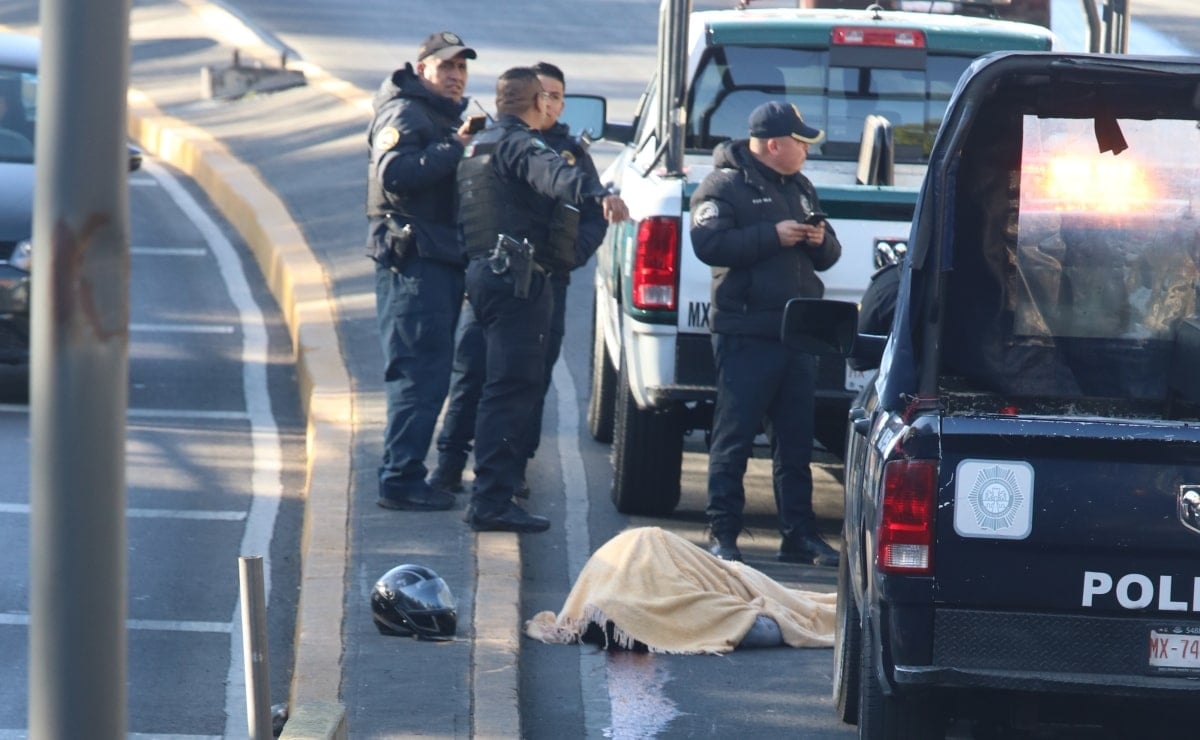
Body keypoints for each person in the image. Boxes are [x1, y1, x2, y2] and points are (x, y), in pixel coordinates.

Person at [456, 67, 628, 533]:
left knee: (497, 386)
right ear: (536, 103)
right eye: (546, 99)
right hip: (517, 281)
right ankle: (492, 499)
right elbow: (553, 173)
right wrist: (598, 193)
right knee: (511, 390)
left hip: (484, 274)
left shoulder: (480, 142)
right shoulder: (520, 143)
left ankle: (491, 492)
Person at [690, 101, 842, 565]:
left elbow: (830, 252)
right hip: (747, 332)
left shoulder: (800, 186)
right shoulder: (723, 186)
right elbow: (708, 243)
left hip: (797, 333)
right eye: (801, 143)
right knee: (733, 438)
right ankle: (723, 535)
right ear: (773, 145)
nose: (806, 152)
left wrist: (820, 242)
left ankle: (799, 534)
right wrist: (771, 236)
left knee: (796, 442)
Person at [366, 31, 478, 511]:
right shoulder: (405, 113)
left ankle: (405, 471)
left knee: (428, 373)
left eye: (461, 68)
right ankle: (400, 479)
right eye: (446, 67)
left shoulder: (436, 114)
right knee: (418, 373)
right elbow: (393, 175)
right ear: (422, 69)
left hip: (438, 258)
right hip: (414, 261)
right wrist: (455, 147)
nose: (455, 76)